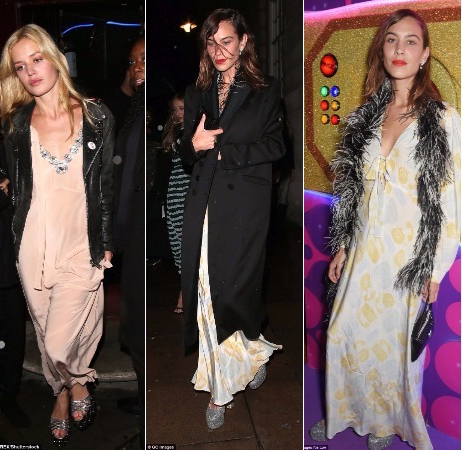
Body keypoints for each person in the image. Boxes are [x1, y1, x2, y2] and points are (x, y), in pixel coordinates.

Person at [309, 9, 460, 450]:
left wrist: (435, 268)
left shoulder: (443, 119)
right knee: (345, 334)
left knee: (391, 346)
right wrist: (342, 246)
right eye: (392, 39)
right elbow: (354, 192)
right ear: (382, 49)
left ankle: (382, 423)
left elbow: (452, 201)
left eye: (411, 41)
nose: (400, 49)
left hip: (407, 254)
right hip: (363, 247)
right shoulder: (365, 118)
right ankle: (345, 412)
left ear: (425, 54)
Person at [0, 24, 114, 447]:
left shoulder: (97, 116)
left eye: (37, 59)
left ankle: (77, 381)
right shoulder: (16, 125)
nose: (30, 72)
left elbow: (105, 186)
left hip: (81, 242)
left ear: (55, 59)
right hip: (33, 245)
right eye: (20, 67)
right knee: (46, 332)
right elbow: (17, 189)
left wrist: (106, 241)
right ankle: (60, 395)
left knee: (61, 344)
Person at [178, 8, 285, 430]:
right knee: (207, 295)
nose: (219, 50)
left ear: (243, 42)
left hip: (244, 212)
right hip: (203, 207)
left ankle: (251, 352)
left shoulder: (265, 90)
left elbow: (277, 146)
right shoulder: (197, 91)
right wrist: (194, 145)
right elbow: (187, 152)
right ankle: (219, 389)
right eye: (211, 42)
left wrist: (222, 151)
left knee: (236, 294)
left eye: (226, 41)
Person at [0, 80, 30, 430]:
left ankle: (8, 396)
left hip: (11, 252)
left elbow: (19, 188)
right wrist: (3, 191)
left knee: (14, 332)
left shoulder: (1, 143)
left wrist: (4, 190)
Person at [114, 37, 146, 448]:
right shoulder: (135, 110)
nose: (137, 66)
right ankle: (143, 398)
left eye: (144, 59)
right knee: (134, 323)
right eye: (133, 60)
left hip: (143, 233)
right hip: (130, 234)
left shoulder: (152, 112)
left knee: (139, 323)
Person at [161, 93, 189, 313]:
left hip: (191, 190)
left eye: (182, 108)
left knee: (191, 242)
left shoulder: (196, 130)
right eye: (175, 109)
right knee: (177, 242)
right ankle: (185, 286)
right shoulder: (173, 132)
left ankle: (185, 291)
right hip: (174, 192)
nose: (178, 113)